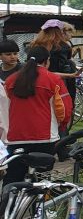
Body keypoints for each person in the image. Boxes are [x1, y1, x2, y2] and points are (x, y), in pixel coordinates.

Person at [3, 46, 67, 186]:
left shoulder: (10, 81)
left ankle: (9, 200)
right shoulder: (53, 79)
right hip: (44, 136)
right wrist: (61, 125)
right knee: (42, 178)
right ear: (47, 61)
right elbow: (63, 108)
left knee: (14, 176)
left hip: (15, 137)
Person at [34, 19, 80, 114]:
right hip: (58, 83)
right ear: (61, 31)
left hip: (37, 82)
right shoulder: (63, 47)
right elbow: (62, 67)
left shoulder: (36, 45)